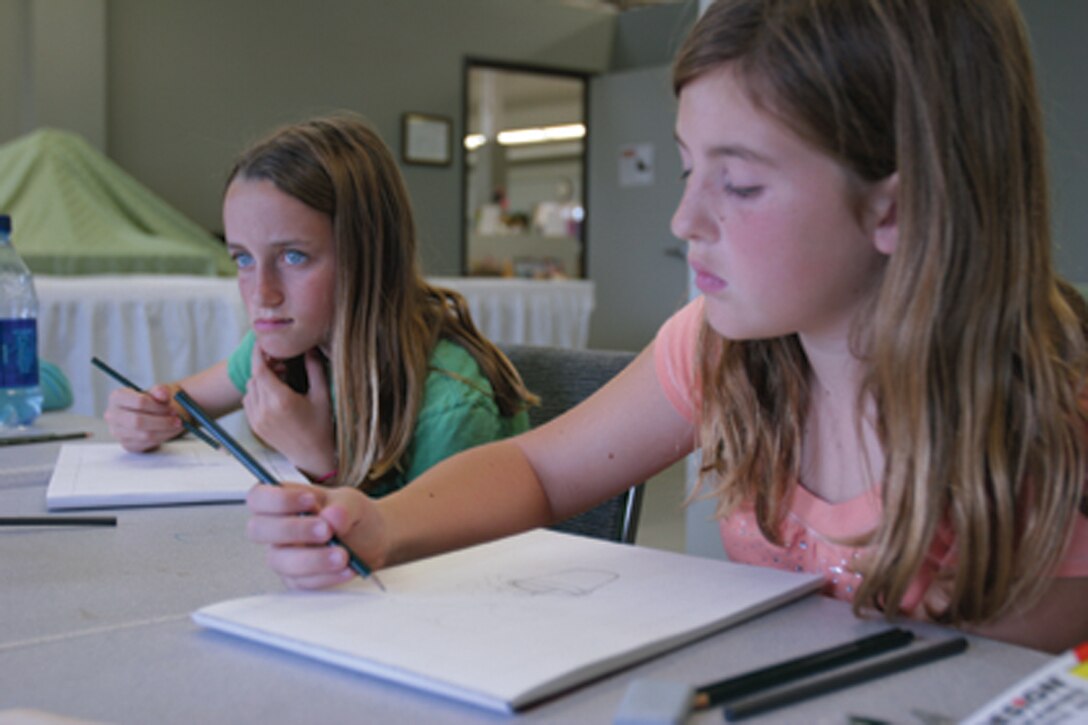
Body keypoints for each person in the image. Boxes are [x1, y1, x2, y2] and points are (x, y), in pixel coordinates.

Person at [245, 0, 1088, 653]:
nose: (685, 219)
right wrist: (386, 522)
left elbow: (998, 679)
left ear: (895, 207)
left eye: (742, 185)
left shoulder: (1054, 406)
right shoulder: (719, 347)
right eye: (688, 169)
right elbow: (539, 466)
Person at [104, 115, 535, 495]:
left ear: (369, 254)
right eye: (243, 259)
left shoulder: (451, 407)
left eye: (294, 256)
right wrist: (144, 416)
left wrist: (318, 462)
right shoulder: (288, 341)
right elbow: (182, 402)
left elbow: (424, 572)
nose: (261, 294)